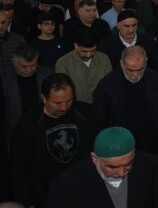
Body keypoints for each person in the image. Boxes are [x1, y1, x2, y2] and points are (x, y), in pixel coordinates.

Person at [10, 73, 95, 208]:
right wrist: (25, 201)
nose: (64, 107)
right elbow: (19, 168)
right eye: (58, 103)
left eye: (68, 101)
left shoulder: (83, 114)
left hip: (81, 190)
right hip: (46, 196)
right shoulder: (29, 124)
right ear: (44, 98)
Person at [46, 127, 158, 207]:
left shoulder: (150, 169)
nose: (121, 173)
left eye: (127, 164)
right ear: (94, 158)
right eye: (112, 167)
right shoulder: (66, 185)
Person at [92, 46, 158, 153]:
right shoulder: (107, 85)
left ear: (146, 62)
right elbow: (99, 120)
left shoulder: (157, 81)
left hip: (152, 144)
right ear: (121, 64)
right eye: (130, 70)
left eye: (140, 69)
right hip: (119, 145)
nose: (135, 75)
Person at [1, 43, 54, 134]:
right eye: (24, 66)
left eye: (33, 65)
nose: (29, 70)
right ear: (14, 62)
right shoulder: (3, 78)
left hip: (43, 127)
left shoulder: (47, 74)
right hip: (15, 129)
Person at [55, 27, 112, 104]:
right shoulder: (63, 63)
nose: (88, 55)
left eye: (92, 51)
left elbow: (110, 85)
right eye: (84, 51)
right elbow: (63, 91)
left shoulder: (104, 59)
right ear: (76, 46)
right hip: (76, 108)